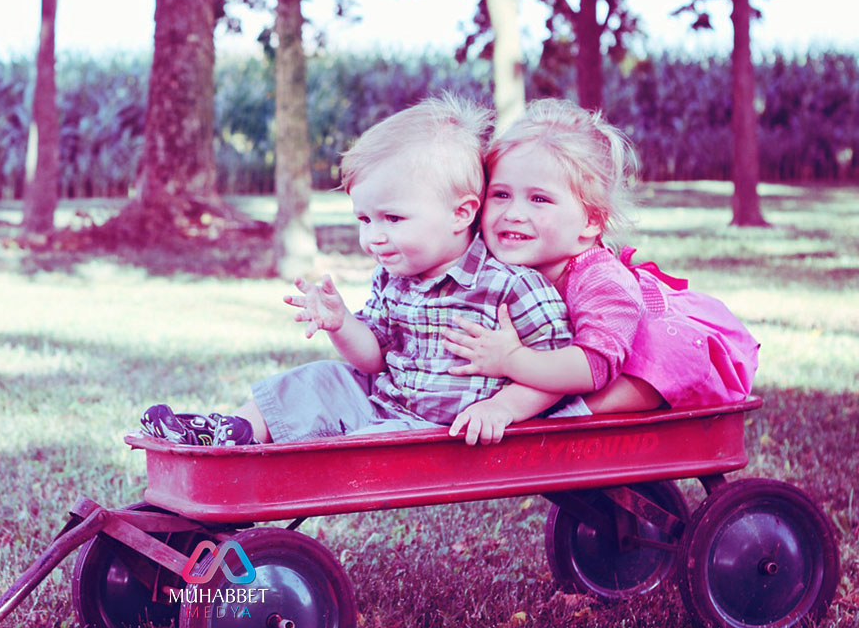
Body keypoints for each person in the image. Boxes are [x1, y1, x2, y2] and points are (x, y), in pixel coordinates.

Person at [140, 93, 573, 447]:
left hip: (441, 432)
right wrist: (342, 324)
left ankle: (276, 455)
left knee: (363, 446)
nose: (374, 238)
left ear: (461, 214)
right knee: (322, 378)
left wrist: (503, 408)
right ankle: (232, 432)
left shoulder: (509, 286)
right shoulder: (393, 276)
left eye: (393, 219)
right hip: (385, 404)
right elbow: (372, 359)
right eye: (364, 220)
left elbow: (557, 374)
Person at [444, 98, 758, 414]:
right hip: (576, 358)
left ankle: (583, 412)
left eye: (539, 199)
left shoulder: (601, 280)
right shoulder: (498, 258)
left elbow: (593, 365)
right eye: (501, 195)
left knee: (655, 360)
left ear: (591, 221)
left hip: (646, 355)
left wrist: (512, 360)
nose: (513, 213)